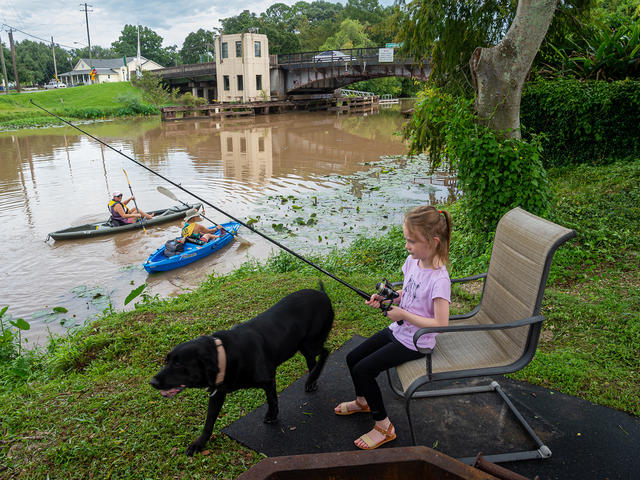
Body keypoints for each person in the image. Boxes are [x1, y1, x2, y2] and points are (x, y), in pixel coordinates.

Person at [334, 205, 452, 450]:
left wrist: (403, 314)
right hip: (399, 331)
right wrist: (390, 299)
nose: (407, 246)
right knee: (353, 357)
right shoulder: (413, 262)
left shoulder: (440, 280)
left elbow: (441, 324)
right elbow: (407, 293)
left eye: (412, 241)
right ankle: (363, 401)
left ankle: (384, 427)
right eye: (406, 239)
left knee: (365, 370)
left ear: (433, 241)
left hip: (417, 342)